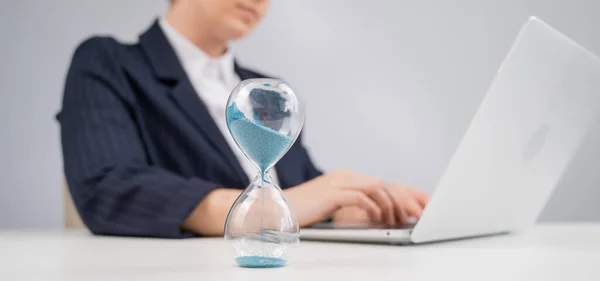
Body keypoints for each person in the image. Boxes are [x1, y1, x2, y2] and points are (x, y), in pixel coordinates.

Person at [58, 0, 429, 238]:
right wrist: (262, 210)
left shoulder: (267, 90)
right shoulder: (111, 62)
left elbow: (303, 190)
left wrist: (358, 206)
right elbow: (105, 186)